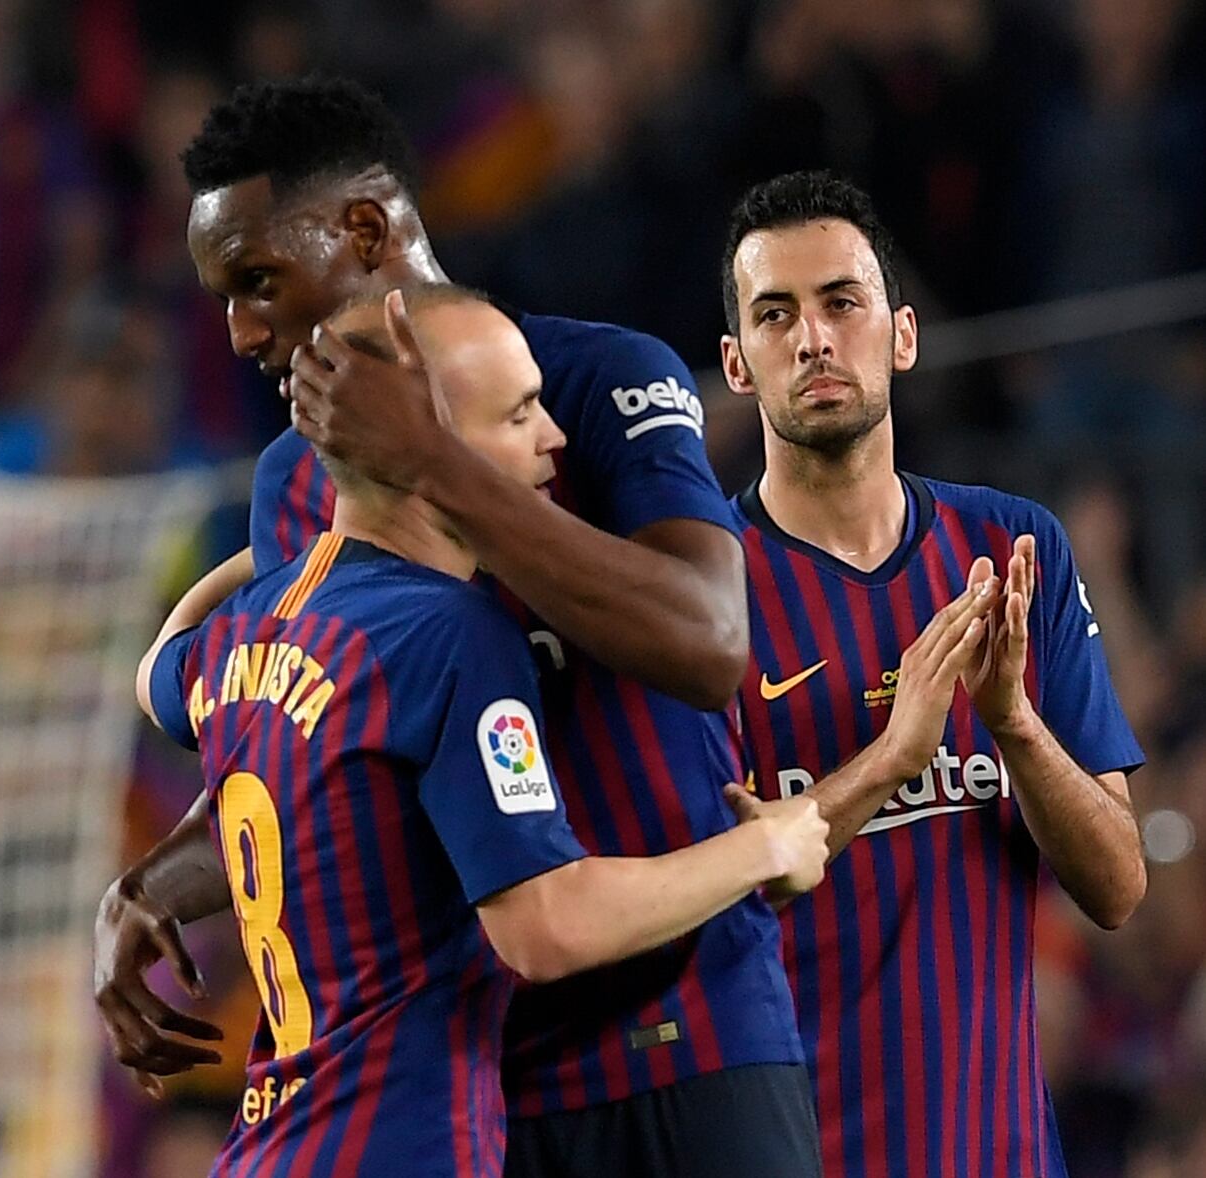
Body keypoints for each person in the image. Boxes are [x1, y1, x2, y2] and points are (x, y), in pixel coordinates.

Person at [95, 76, 823, 1175]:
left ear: (366, 232)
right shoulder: (296, 477)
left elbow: (709, 646)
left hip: (687, 1039)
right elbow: (319, 764)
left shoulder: (594, 377)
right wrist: (150, 887)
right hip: (479, 1086)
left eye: (257, 279)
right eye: (225, 298)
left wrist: (434, 464)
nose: (241, 329)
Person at [717, 171, 1148, 1178]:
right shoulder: (700, 595)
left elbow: (1118, 885)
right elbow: (698, 897)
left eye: (841, 302)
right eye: (775, 314)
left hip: (1001, 1153)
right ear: (736, 363)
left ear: (901, 335)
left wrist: (1013, 724)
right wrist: (892, 755)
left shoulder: (1011, 547)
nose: (813, 339)